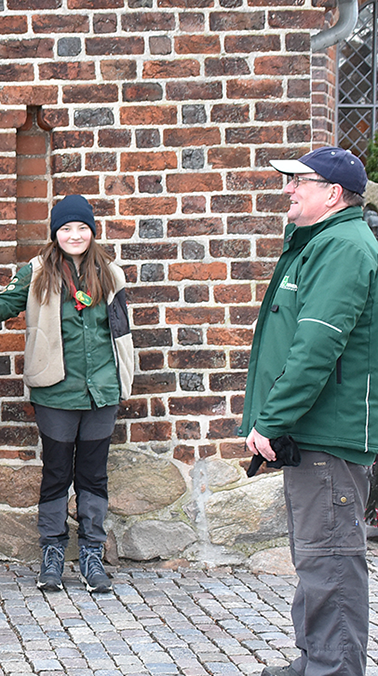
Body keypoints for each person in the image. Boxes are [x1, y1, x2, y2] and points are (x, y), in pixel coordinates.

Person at [242, 146, 377, 676]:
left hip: (330, 436)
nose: (288, 189)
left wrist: (271, 420)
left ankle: (334, 670)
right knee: (316, 557)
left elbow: (316, 346)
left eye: (300, 181)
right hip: (315, 434)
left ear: (333, 193)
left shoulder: (343, 247)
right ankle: (317, 661)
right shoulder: (321, 242)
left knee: (332, 563)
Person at [0, 194, 134, 595]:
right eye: (66, 229)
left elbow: (120, 330)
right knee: (56, 472)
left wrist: (123, 378)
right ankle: (52, 550)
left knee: (93, 474)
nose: (74, 235)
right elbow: (3, 305)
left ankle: (91, 551)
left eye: (81, 228)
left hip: (101, 390)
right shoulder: (35, 272)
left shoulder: (111, 274)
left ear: (92, 232)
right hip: (55, 390)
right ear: (55, 233)